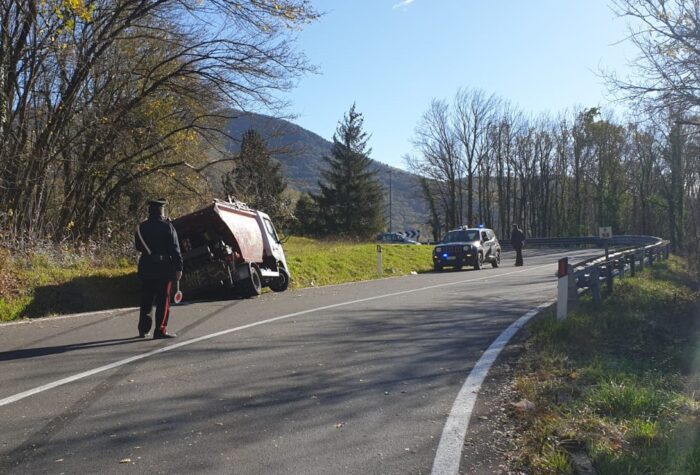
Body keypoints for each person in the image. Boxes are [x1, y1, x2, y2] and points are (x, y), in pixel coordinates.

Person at [135, 199, 183, 339]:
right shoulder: (167, 226)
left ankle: (143, 329)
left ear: (150, 210)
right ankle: (160, 330)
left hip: (146, 267)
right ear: (161, 210)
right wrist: (179, 267)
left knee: (146, 300)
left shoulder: (141, 227)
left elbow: (138, 247)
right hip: (164, 268)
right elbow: (175, 249)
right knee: (163, 300)